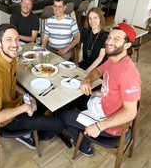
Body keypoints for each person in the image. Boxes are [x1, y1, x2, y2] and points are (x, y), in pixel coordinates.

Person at [60, 23, 141, 156]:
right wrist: (87, 80)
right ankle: (83, 125)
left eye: (116, 39)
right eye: (109, 37)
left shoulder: (128, 74)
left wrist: (99, 126)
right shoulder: (114, 59)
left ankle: (83, 145)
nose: (109, 42)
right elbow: (98, 70)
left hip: (110, 127)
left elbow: (130, 113)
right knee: (71, 101)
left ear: (127, 45)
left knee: (63, 115)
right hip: (102, 105)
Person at [0, 23, 64, 149]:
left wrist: (26, 95)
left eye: (16, 39)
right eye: (9, 40)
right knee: (59, 124)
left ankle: (31, 125)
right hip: (8, 120)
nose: (15, 45)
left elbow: (11, 84)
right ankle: (30, 134)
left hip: (17, 103)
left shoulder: (11, 59)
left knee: (49, 102)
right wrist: (24, 108)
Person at [78, 7, 109, 72]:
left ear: (100, 19)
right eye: (90, 18)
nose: (92, 21)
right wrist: (79, 65)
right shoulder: (85, 31)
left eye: (95, 18)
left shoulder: (106, 35)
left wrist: (86, 72)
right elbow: (81, 50)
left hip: (98, 68)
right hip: (85, 64)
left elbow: (100, 58)